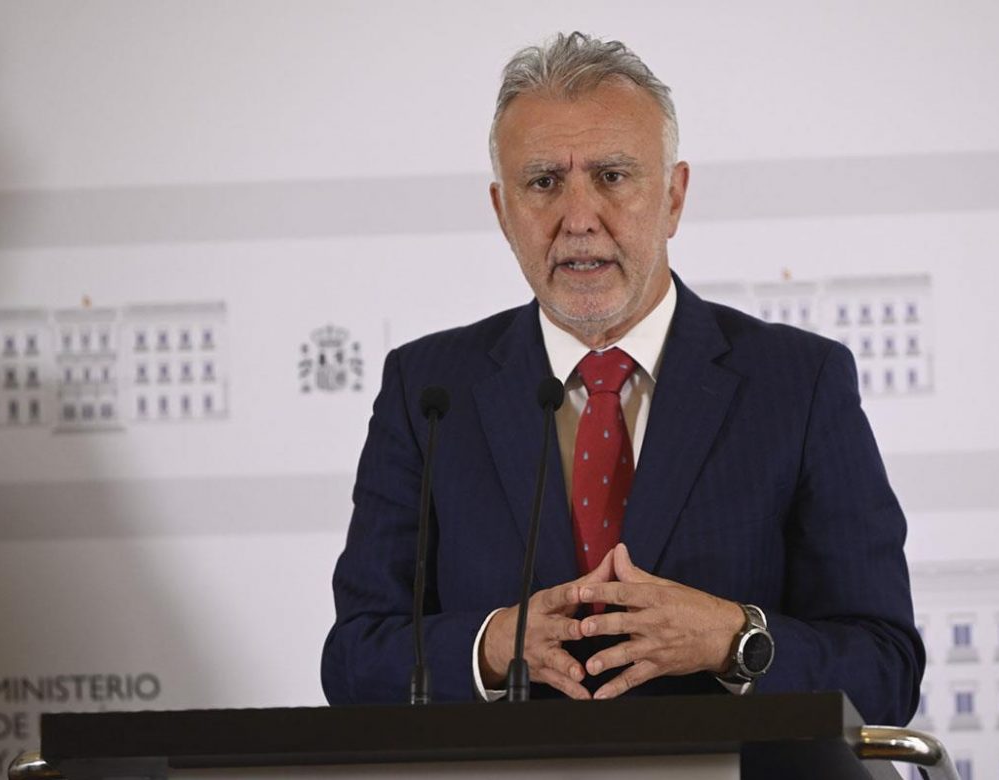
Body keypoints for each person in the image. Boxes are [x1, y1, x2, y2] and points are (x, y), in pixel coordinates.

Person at [322, 31, 924, 725]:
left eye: (612, 176)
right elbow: (354, 660)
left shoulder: (799, 384)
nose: (579, 219)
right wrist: (490, 647)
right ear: (502, 211)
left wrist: (732, 641)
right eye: (543, 183)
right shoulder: (428, 391)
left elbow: (886, 671)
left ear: (673, 197)